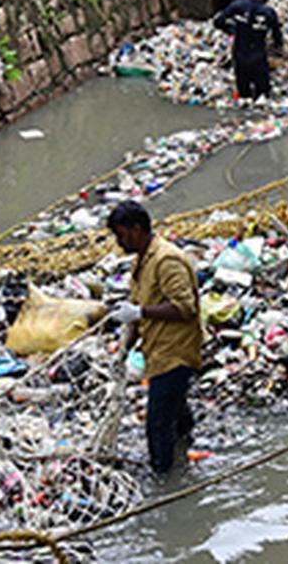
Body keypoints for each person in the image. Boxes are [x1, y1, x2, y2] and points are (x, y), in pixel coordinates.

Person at [107, 201, 202, 474]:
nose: (119, 242)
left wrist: (139, 311)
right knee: (176, 411)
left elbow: (185, 307)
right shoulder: (141, 262)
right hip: (156, 349)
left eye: (121, 235)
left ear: (136, 230)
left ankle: (165, 481)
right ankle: (186, 457)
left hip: (175, 352)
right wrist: (124, 349)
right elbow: (136, 313)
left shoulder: (166, 260)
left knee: (157, 424)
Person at [213, 0, 284, 101]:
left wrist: (233, 30)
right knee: (262, 96)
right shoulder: (268, 12)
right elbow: (277, 37)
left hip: (239, 55)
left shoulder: (237, 5)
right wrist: (276, 49)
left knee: (244, 95)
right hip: (258, 57)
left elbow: (218, 21)